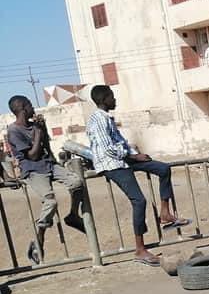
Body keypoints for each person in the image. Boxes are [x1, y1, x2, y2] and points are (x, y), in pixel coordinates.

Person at [86, 85, 190, 266]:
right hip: (113, 164)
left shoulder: (107, 118)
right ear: (104, 99)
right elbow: (108, 149)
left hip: (124, 159)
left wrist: (135, 155)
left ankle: (165, 213)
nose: (115, 100)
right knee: (139, 201)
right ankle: (140, 249)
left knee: (163, 169)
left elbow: (121, 143)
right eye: (112, 96)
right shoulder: (98, 120)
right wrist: (133, 156)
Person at [6, 95, 87, 265]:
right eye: (29, 105)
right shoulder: (14, 131)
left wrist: (44, 131)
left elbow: (46, 148)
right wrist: (37, 132)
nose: (33, 108)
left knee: (76, 182)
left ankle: (72, 215)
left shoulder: (35, 126)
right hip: (33, 170)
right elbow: (33, 155)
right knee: (50, 201)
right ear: (22, 108)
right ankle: (39, 239)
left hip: (48, 164)